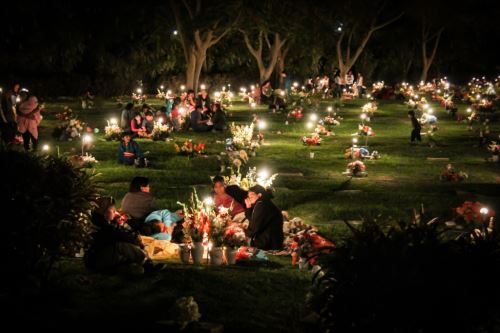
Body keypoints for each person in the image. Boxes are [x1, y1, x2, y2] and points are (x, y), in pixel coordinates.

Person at [84, 196, 147, 275]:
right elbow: (123, 236)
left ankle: (137, 267)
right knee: (121, 246)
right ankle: (145, 262)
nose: (115, 211)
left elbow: (124, 232)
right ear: (104, 212)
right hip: (96, 260)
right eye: (112, 210)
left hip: (101, 260)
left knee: (138, 270)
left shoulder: (103, 222)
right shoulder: (103, 227)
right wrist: (136, 240)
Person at [244, 185, 284, 250]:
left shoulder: (262, 205)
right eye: (248, 197)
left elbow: (255, 227)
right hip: (272, 241)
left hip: (269, 243)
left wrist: (243, 233)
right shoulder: (263, 202)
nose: (249, 198)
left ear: (259, 195)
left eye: (251, 196)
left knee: (239, 242)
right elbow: (253, 220)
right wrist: (248, 207)